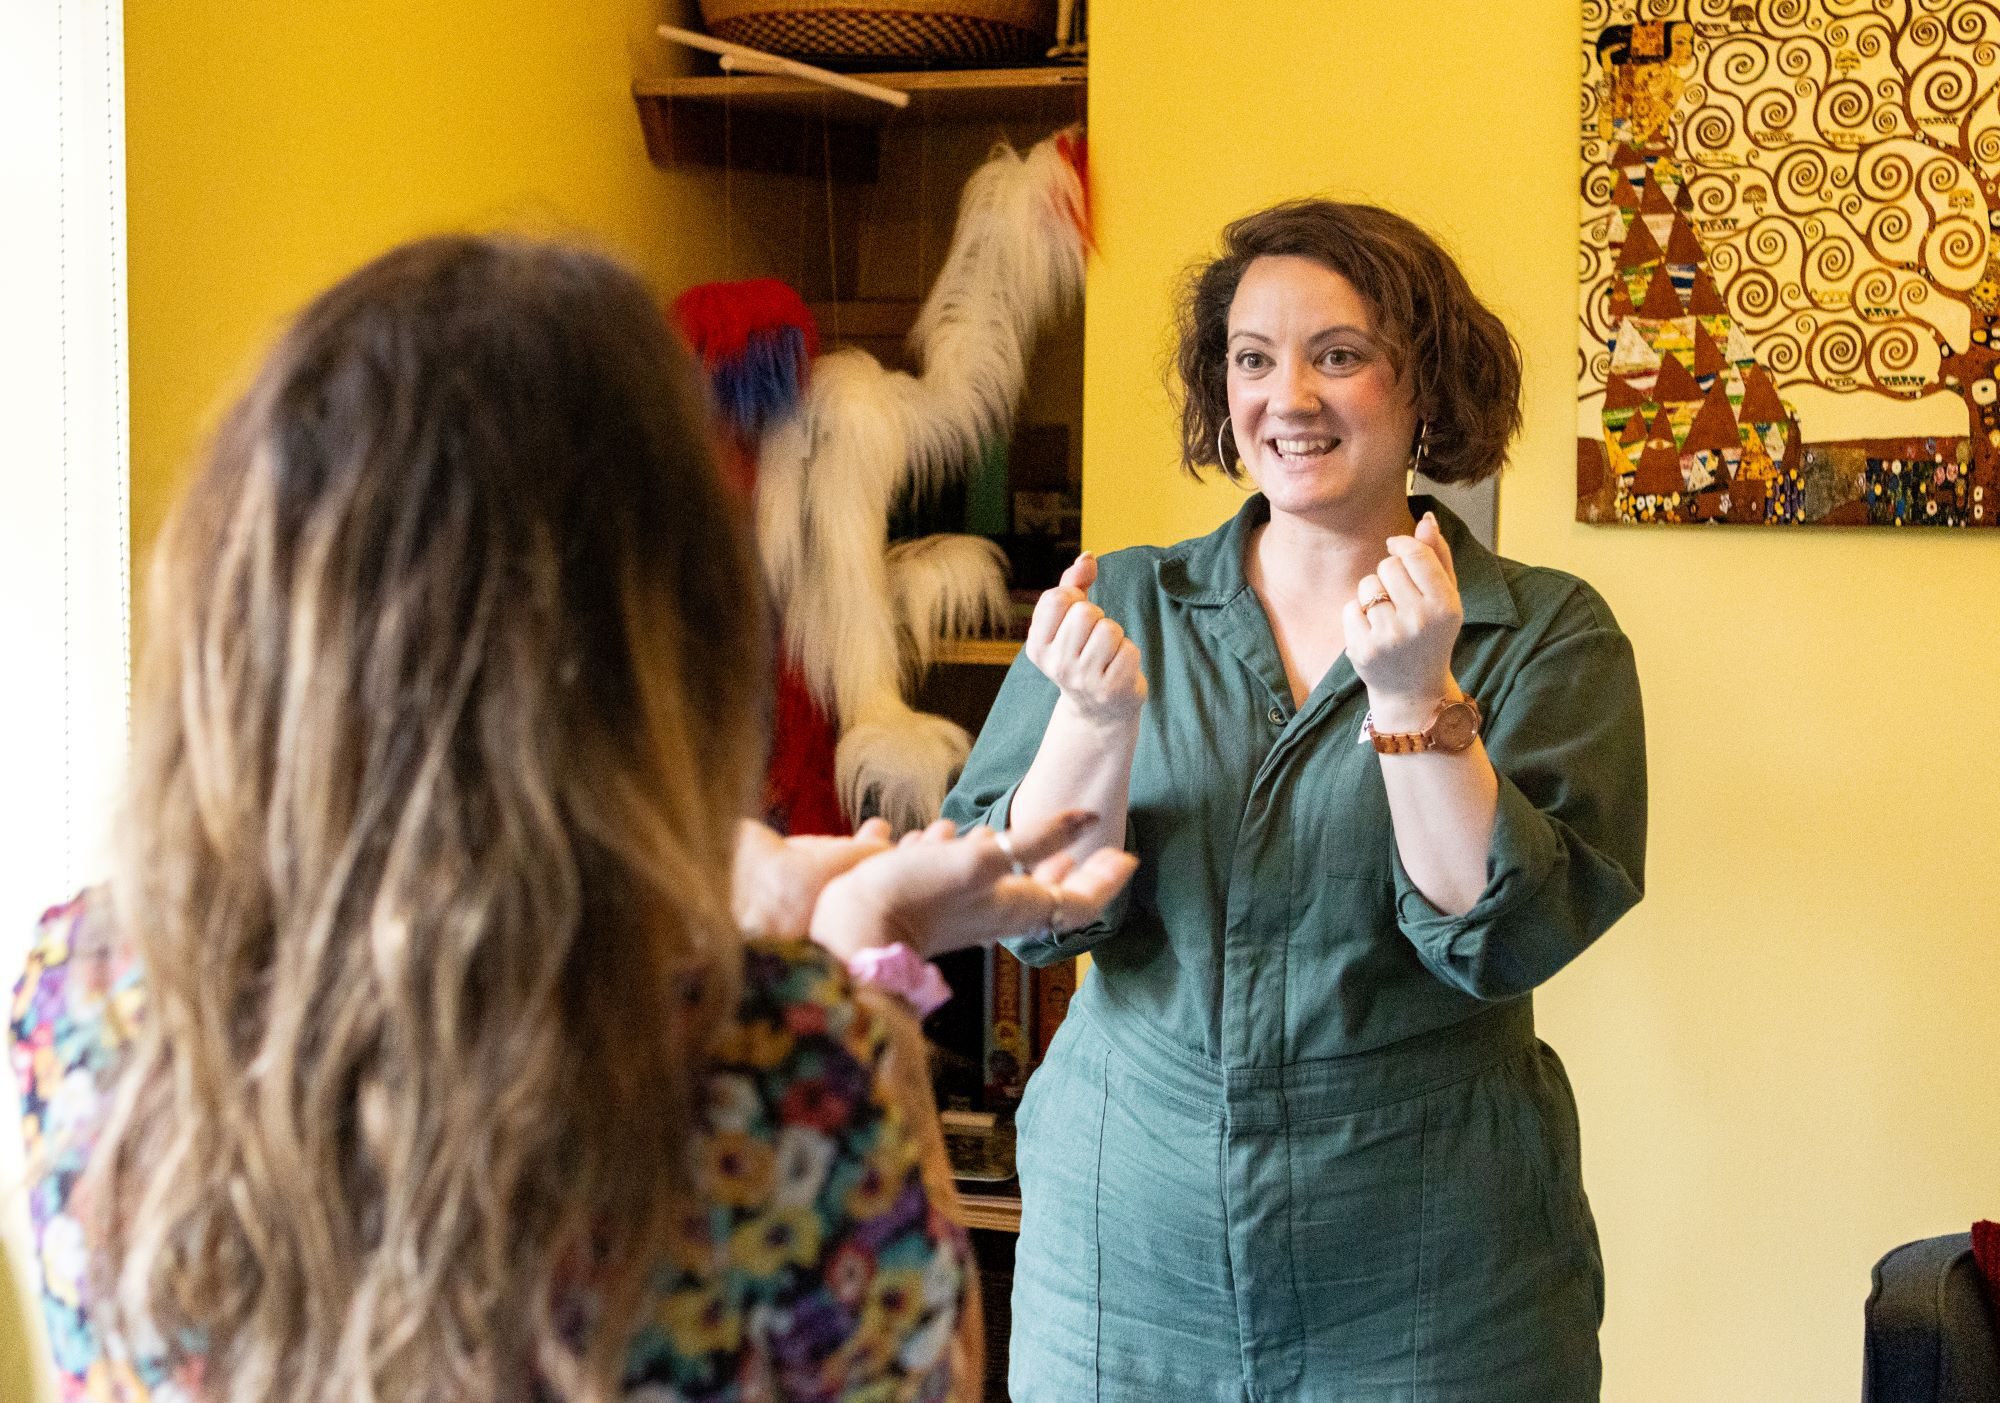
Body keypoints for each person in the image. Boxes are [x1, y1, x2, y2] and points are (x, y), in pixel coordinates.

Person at [9, 235, 1136, 1403]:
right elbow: (918, 1371)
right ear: (661, 637)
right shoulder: (778, 1065)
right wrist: (852, 949)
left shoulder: (78, 994)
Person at [943, 199, 1648, 1402]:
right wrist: (1098, 722)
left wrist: (1412, 693)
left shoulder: (1542, 631)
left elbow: (1500, 936)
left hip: (1433, 1267)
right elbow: (1019, 908)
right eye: (1253, 360)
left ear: (1423, 382)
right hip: (1126, 1258)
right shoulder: (1123, 598)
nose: (1289, 399)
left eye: (1339, 355)